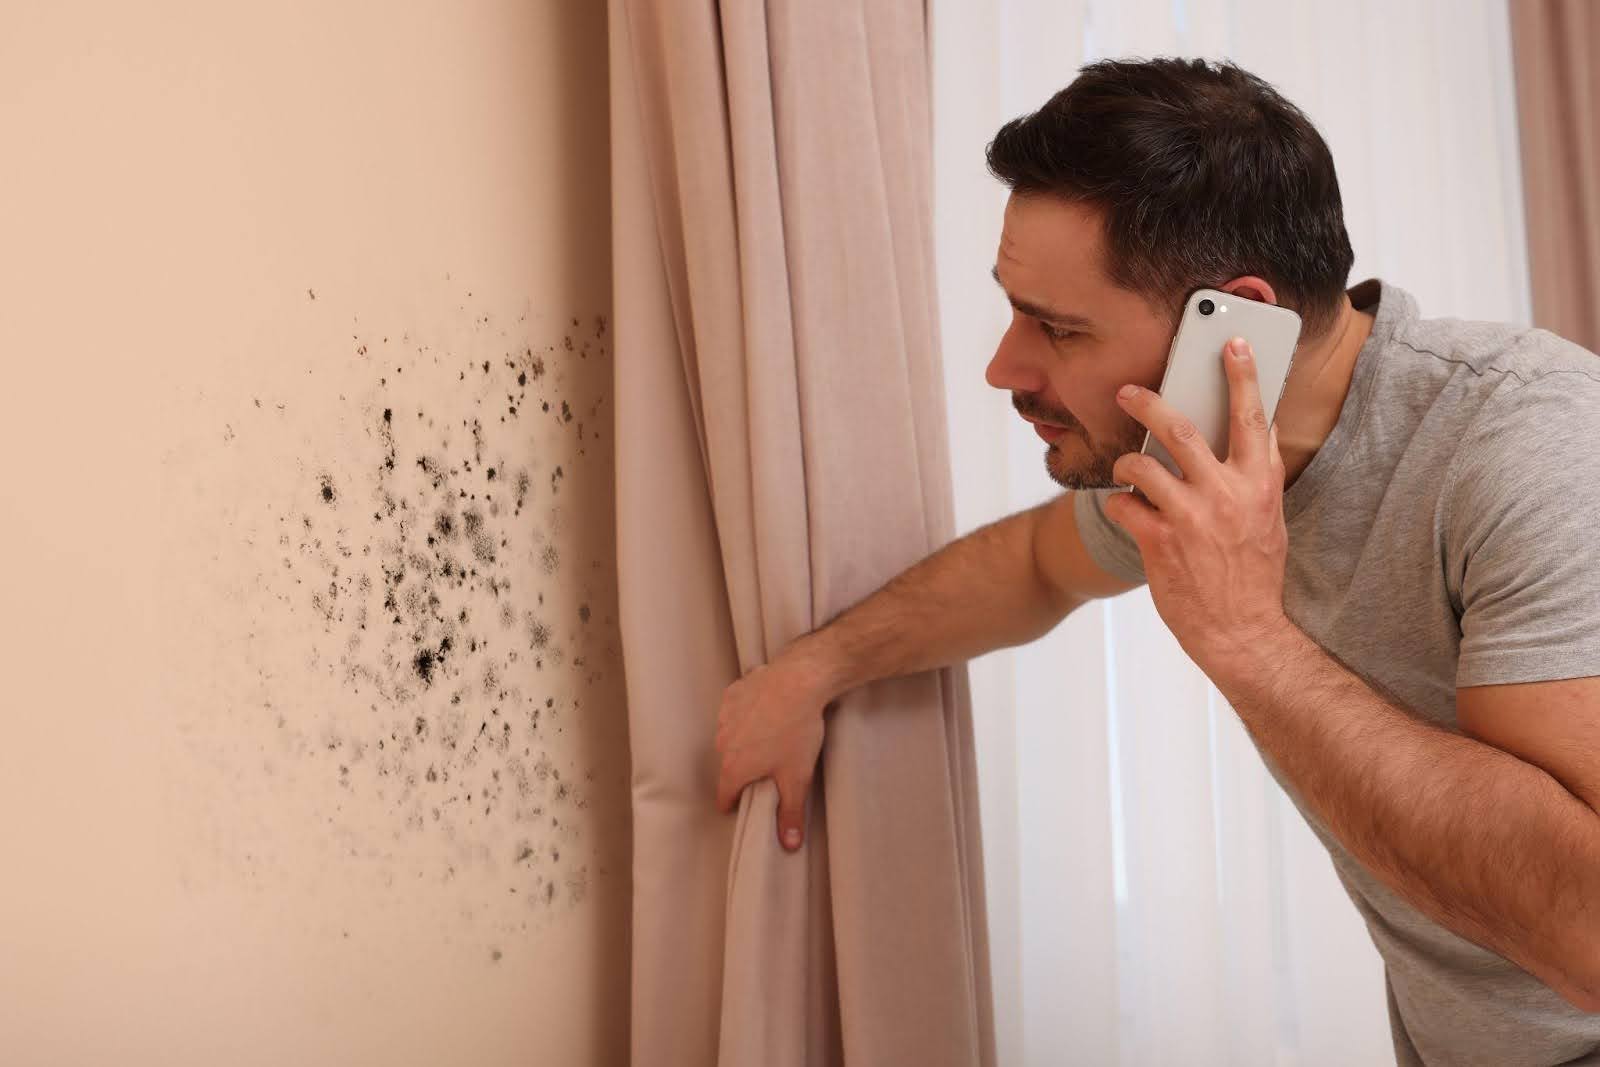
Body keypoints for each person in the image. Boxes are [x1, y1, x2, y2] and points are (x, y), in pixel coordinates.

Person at [711, 57, 1600, 1065]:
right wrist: (814, 668)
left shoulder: (1532, 440)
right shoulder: (1204, 456)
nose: (1004, 367)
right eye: (1013, 309)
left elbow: (1588, 937)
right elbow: (1037, 566)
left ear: (1235, 323)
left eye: (1057, 327)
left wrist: (1249, 640)